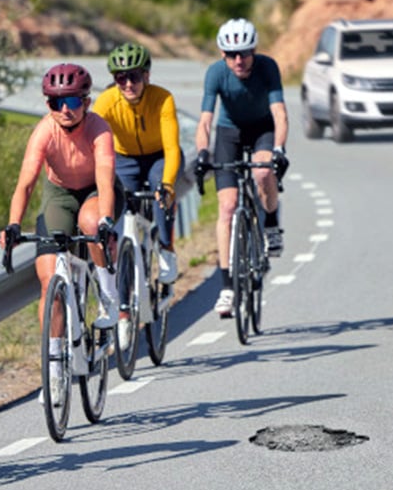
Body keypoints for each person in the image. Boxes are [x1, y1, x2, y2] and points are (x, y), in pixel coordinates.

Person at [0, 63, 123, 406]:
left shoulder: (99, 129)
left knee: (88, 221)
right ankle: (54, 371)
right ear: (48, 106)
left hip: (97, 193)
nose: (65, 110)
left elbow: (104, 175)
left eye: (71, 101)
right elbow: (26, 182)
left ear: (86, 101)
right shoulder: (44, 131)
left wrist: (106, 220)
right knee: (49, 279)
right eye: (56, 103)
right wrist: (13, 224)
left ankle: (109, 294)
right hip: (58, 195)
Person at [194, 18, 290, 317]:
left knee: (263, 172)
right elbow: (206, 120)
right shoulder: (216, 73)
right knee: (227, 206)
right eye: (232, 54)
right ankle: (226, 287)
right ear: (223, 55)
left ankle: (271, 222)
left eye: (245, 53)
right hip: (229, 132)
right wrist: (201, 153)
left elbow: (280, 113)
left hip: (262, 128)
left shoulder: (267, 68)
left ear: (254, 51)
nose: (239, 60)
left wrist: (278, 149)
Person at [92, 42, 183, 352]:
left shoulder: (163, 98)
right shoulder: (105, 102)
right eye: (120, 78)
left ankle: (167, 251)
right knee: (114, 220)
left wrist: (168, 185)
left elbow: (172, 148)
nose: (128, 84)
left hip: (159, 156)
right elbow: (92, 142)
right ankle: (122, 303)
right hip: (125, 158)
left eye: (133, 77)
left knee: (160, 193)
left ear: (146, 75)